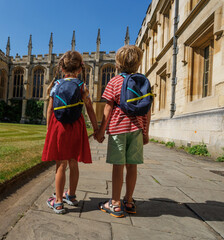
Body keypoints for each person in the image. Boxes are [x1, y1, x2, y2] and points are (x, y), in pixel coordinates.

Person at [95, 45, 151, 218]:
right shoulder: (143, 82)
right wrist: (146, 132)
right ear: (139, 63)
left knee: (118, 166)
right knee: (132, 165)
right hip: (137, 129)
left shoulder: (114, 81)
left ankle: (115, 203)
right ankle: (129, 200)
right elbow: (147, 110)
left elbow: (108, 108)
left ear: (117, 64)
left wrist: (101, 131)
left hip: (118, 129)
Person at [42, 50, 98, 214]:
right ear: (80, 69)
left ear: (61, 68)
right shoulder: (82, 86)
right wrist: (96, 129)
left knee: (61, 164)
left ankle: (58, 202)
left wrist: (48, 130)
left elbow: (50, 109)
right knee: (74, 163)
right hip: (76, 126)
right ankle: (71, 196)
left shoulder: (56, 85)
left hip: (59, 127)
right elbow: (89, 109)